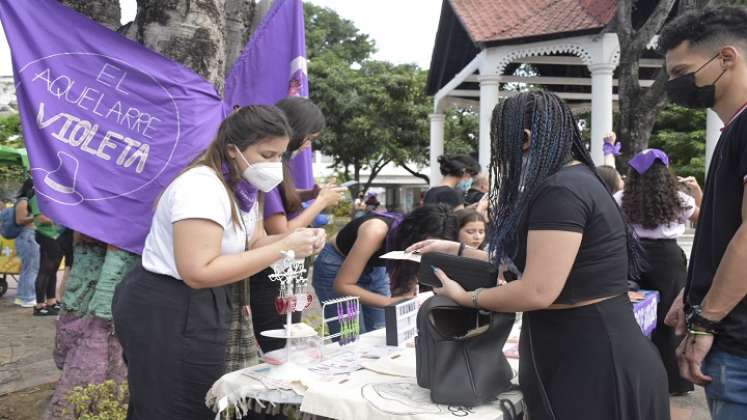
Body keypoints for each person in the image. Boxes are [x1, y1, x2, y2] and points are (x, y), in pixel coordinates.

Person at [409, 91, 669, 420]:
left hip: (592, 361)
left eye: (501, 143)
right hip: (587, 350)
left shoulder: (561, 190)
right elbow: (543, 263)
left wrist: (468, 297)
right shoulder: (576, 181)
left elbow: (538, 290)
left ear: (525, 139)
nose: (499, 156)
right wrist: (455, 249)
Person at [112, 105, 326, 419]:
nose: (275, 165)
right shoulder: (202, 187)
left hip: (205, 300)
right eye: (267, 155)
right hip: (168, 305)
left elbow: (252, 244)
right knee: (175, 404)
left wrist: (298, 241)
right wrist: (283, 247)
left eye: (280, 155)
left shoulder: (246, 190)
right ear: (232, 150)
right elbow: (198, 271)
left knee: (205, 398)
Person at [659, 7, 747, 417]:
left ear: (726, 58)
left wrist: (705, 322)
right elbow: (724, 231)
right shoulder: (733, 131)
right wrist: (693, 292)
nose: (674, 84)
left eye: (681, 71)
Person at [250, 97, 345, 354]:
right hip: (274, 274)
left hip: (292, 273)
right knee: (279, 343)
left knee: (292, 332)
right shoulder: (268, 171)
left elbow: (283, 198)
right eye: (309, 138)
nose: (308, 146)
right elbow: (282, 232)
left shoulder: (278, 167)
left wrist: (309, 193)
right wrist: (320, 201)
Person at [615, 149, 701, 395]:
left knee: (631, 317)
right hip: (668, 260)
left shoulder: (620, 198)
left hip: (632, 257)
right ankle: (674, 382)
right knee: (669, 320)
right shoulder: (679, 198)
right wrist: (696, 191)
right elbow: (702, 217)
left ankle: (634, 381)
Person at [313, 205, 458, 334]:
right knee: (350, 336)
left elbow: (408, 287)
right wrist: (390, 302)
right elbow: (342, 285)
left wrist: (408, 299)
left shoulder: (410, 240)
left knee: (381, 330)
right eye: (425, 245)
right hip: (335, 265)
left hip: (375, 267)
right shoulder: (375, 231)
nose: (428, 250)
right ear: (414, 232)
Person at [29, 196, 67, 316]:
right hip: (46, 235)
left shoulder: (52, 195)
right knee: (45, 270)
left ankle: (51, 302)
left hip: (57, 236)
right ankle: (39, 306)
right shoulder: (36, 197)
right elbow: (39, 218)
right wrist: (58, 219)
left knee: (52, 271)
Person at [13, 179, 39, 308]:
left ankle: (24, 296)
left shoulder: (27, 201)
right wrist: (37, 217)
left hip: (29, 236)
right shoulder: (23, 201)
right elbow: (20, 220)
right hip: (27, 236)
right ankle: (26, 297)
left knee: (30, 267)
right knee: (30, 268)